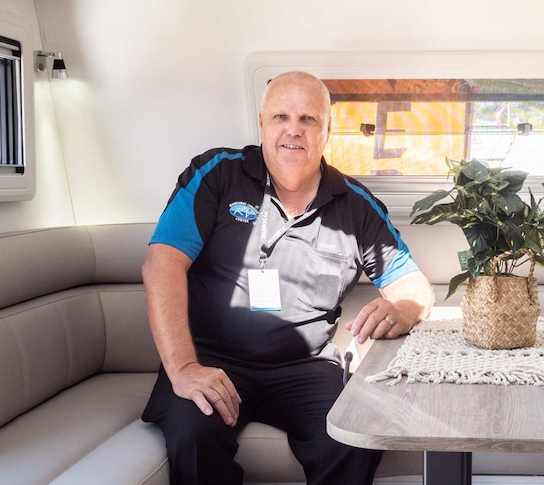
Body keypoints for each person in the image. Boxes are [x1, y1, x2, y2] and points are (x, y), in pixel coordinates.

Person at [140, 71, 435, 485]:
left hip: (306, 367)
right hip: (209, 358)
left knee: (353, 436)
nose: (292, 131)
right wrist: (185, 367)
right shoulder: (216, 174)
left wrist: (402, 309)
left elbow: (414, 287)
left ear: (327, 131)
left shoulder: (356, 206)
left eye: (308, 120)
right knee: (193, 436)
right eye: (281, 116)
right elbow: (161, 264)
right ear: (262, 123)